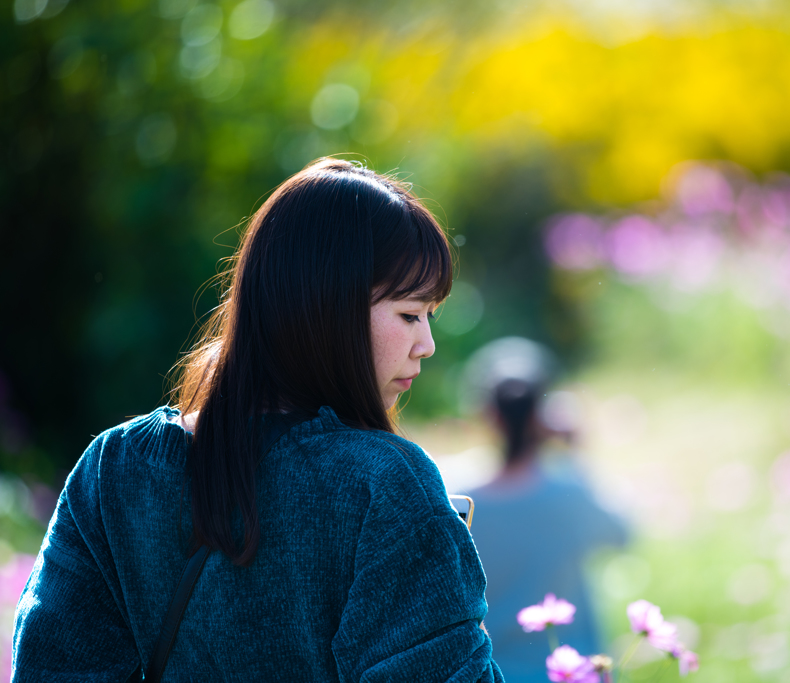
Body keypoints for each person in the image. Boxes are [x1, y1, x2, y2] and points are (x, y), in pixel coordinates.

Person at [12, 158, 504, 682]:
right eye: (410, 314)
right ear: (325, 307)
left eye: (430, 317)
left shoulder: (117, 468)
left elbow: (49, 667)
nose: (425, 345)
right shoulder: (383, 487)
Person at [462, 338, 627, 682]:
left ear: (488, 415)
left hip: (492, 674)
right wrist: (575, 453)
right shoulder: (569, 493)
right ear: (544, 416)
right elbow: (623, 535)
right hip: (575, 673)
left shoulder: (461, 500)